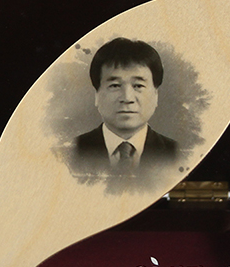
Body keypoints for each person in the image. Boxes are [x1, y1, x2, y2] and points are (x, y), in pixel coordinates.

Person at [72, 38, 177, 176]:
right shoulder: (70, 151)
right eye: (115, 85)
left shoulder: (179, 153)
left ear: (156, 95)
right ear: (96, 95)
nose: (127, 98)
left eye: (138, 86)